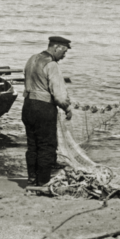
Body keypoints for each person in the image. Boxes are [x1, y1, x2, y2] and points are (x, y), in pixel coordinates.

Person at [22, 36, 73, 186]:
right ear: (56, 47)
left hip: (28, 106)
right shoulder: (52, 65)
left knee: (33, 145)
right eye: (64, 51)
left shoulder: (32, 59)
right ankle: (43, 182)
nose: (64, 56)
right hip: (43, 108)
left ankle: (32, 178)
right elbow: (59, 95)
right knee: (47, 145)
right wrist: (67, 108)